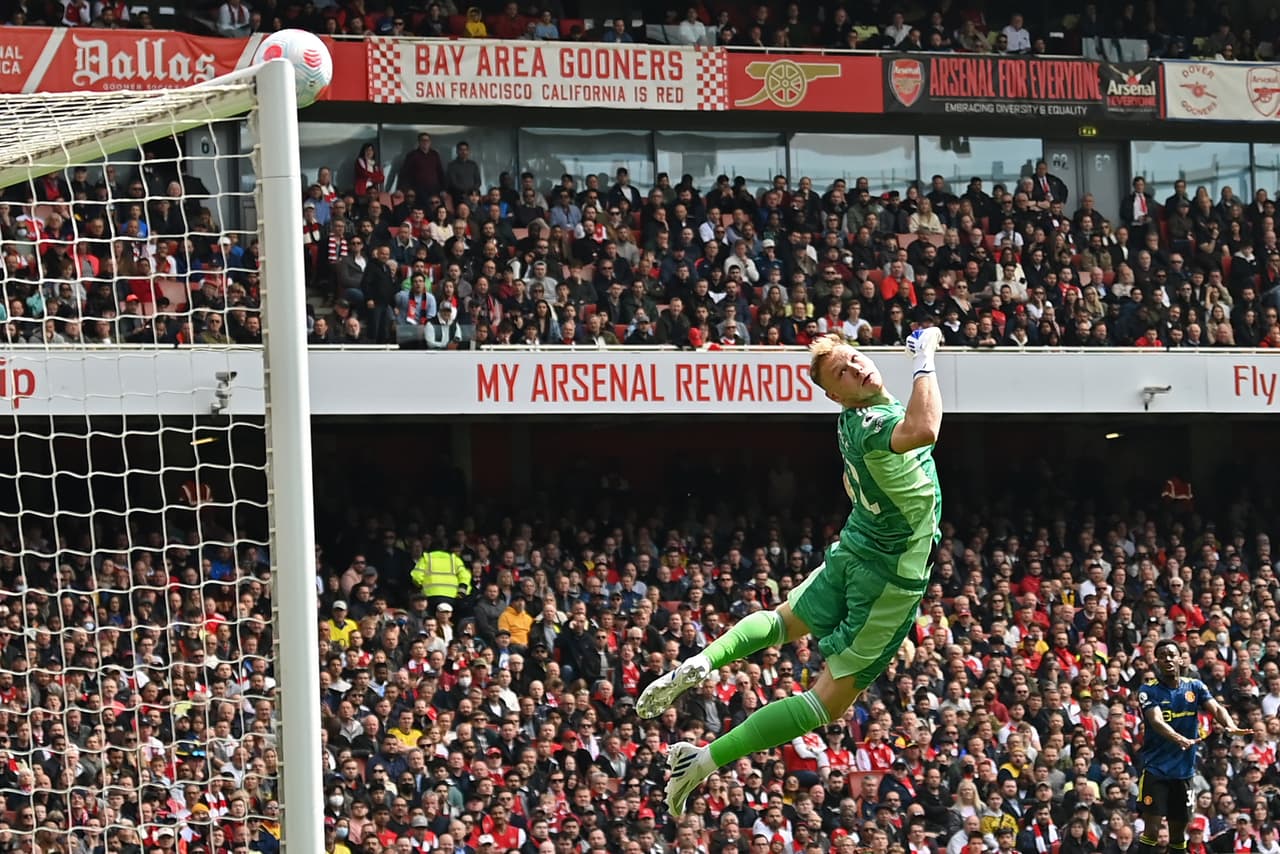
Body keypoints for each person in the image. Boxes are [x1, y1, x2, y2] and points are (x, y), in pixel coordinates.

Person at [638, 328, 945, 817]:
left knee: (783, 620)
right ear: (835, 395)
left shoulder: (848, 423)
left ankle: (701, 663)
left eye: (854, 358)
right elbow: (926, 426)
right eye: (842, 372)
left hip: (855, 545)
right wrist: (924, 358)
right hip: (891, 577)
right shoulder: (873, 424)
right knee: (828, 702)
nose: (856, 368)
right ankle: (701, 761)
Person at [1136, 639, 1249, 854]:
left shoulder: (1194, 686)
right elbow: (1156, 721)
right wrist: (1178, 738)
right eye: (1162, 656)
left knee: (1178, 832)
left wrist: (1231, 726)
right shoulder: (1148, 690)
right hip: (1156, 770)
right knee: (1152, 829)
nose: (1167, 659)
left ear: (1180, 659)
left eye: (1171, 654)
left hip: (1184, 772)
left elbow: (1216, 707)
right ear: (1156, 662)